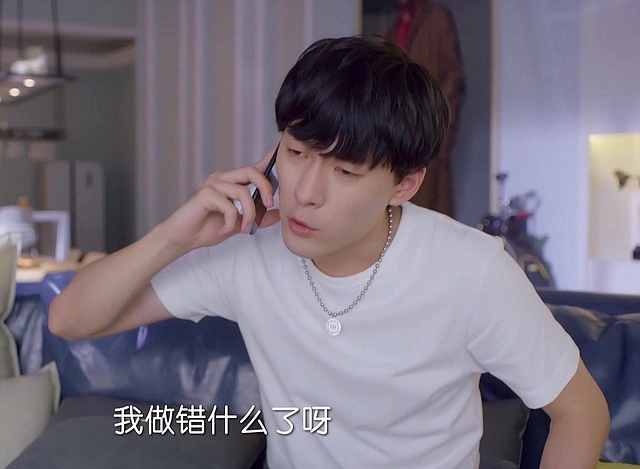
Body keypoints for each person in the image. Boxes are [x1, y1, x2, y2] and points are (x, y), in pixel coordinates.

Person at [49, 36, 608, 469]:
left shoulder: (472, 271)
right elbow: (70, 320)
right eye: (296, 153)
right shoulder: (249, 255)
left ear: (404, 185)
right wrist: (176, 234)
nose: (306, 192)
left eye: (345, 171)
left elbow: (580, 411)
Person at [385, 0, 464, 217]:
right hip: (398, 131)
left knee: (429, 206)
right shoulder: (395, 25)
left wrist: (437, 124)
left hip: (427, 129)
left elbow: (453, 76)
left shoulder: (436, 17)